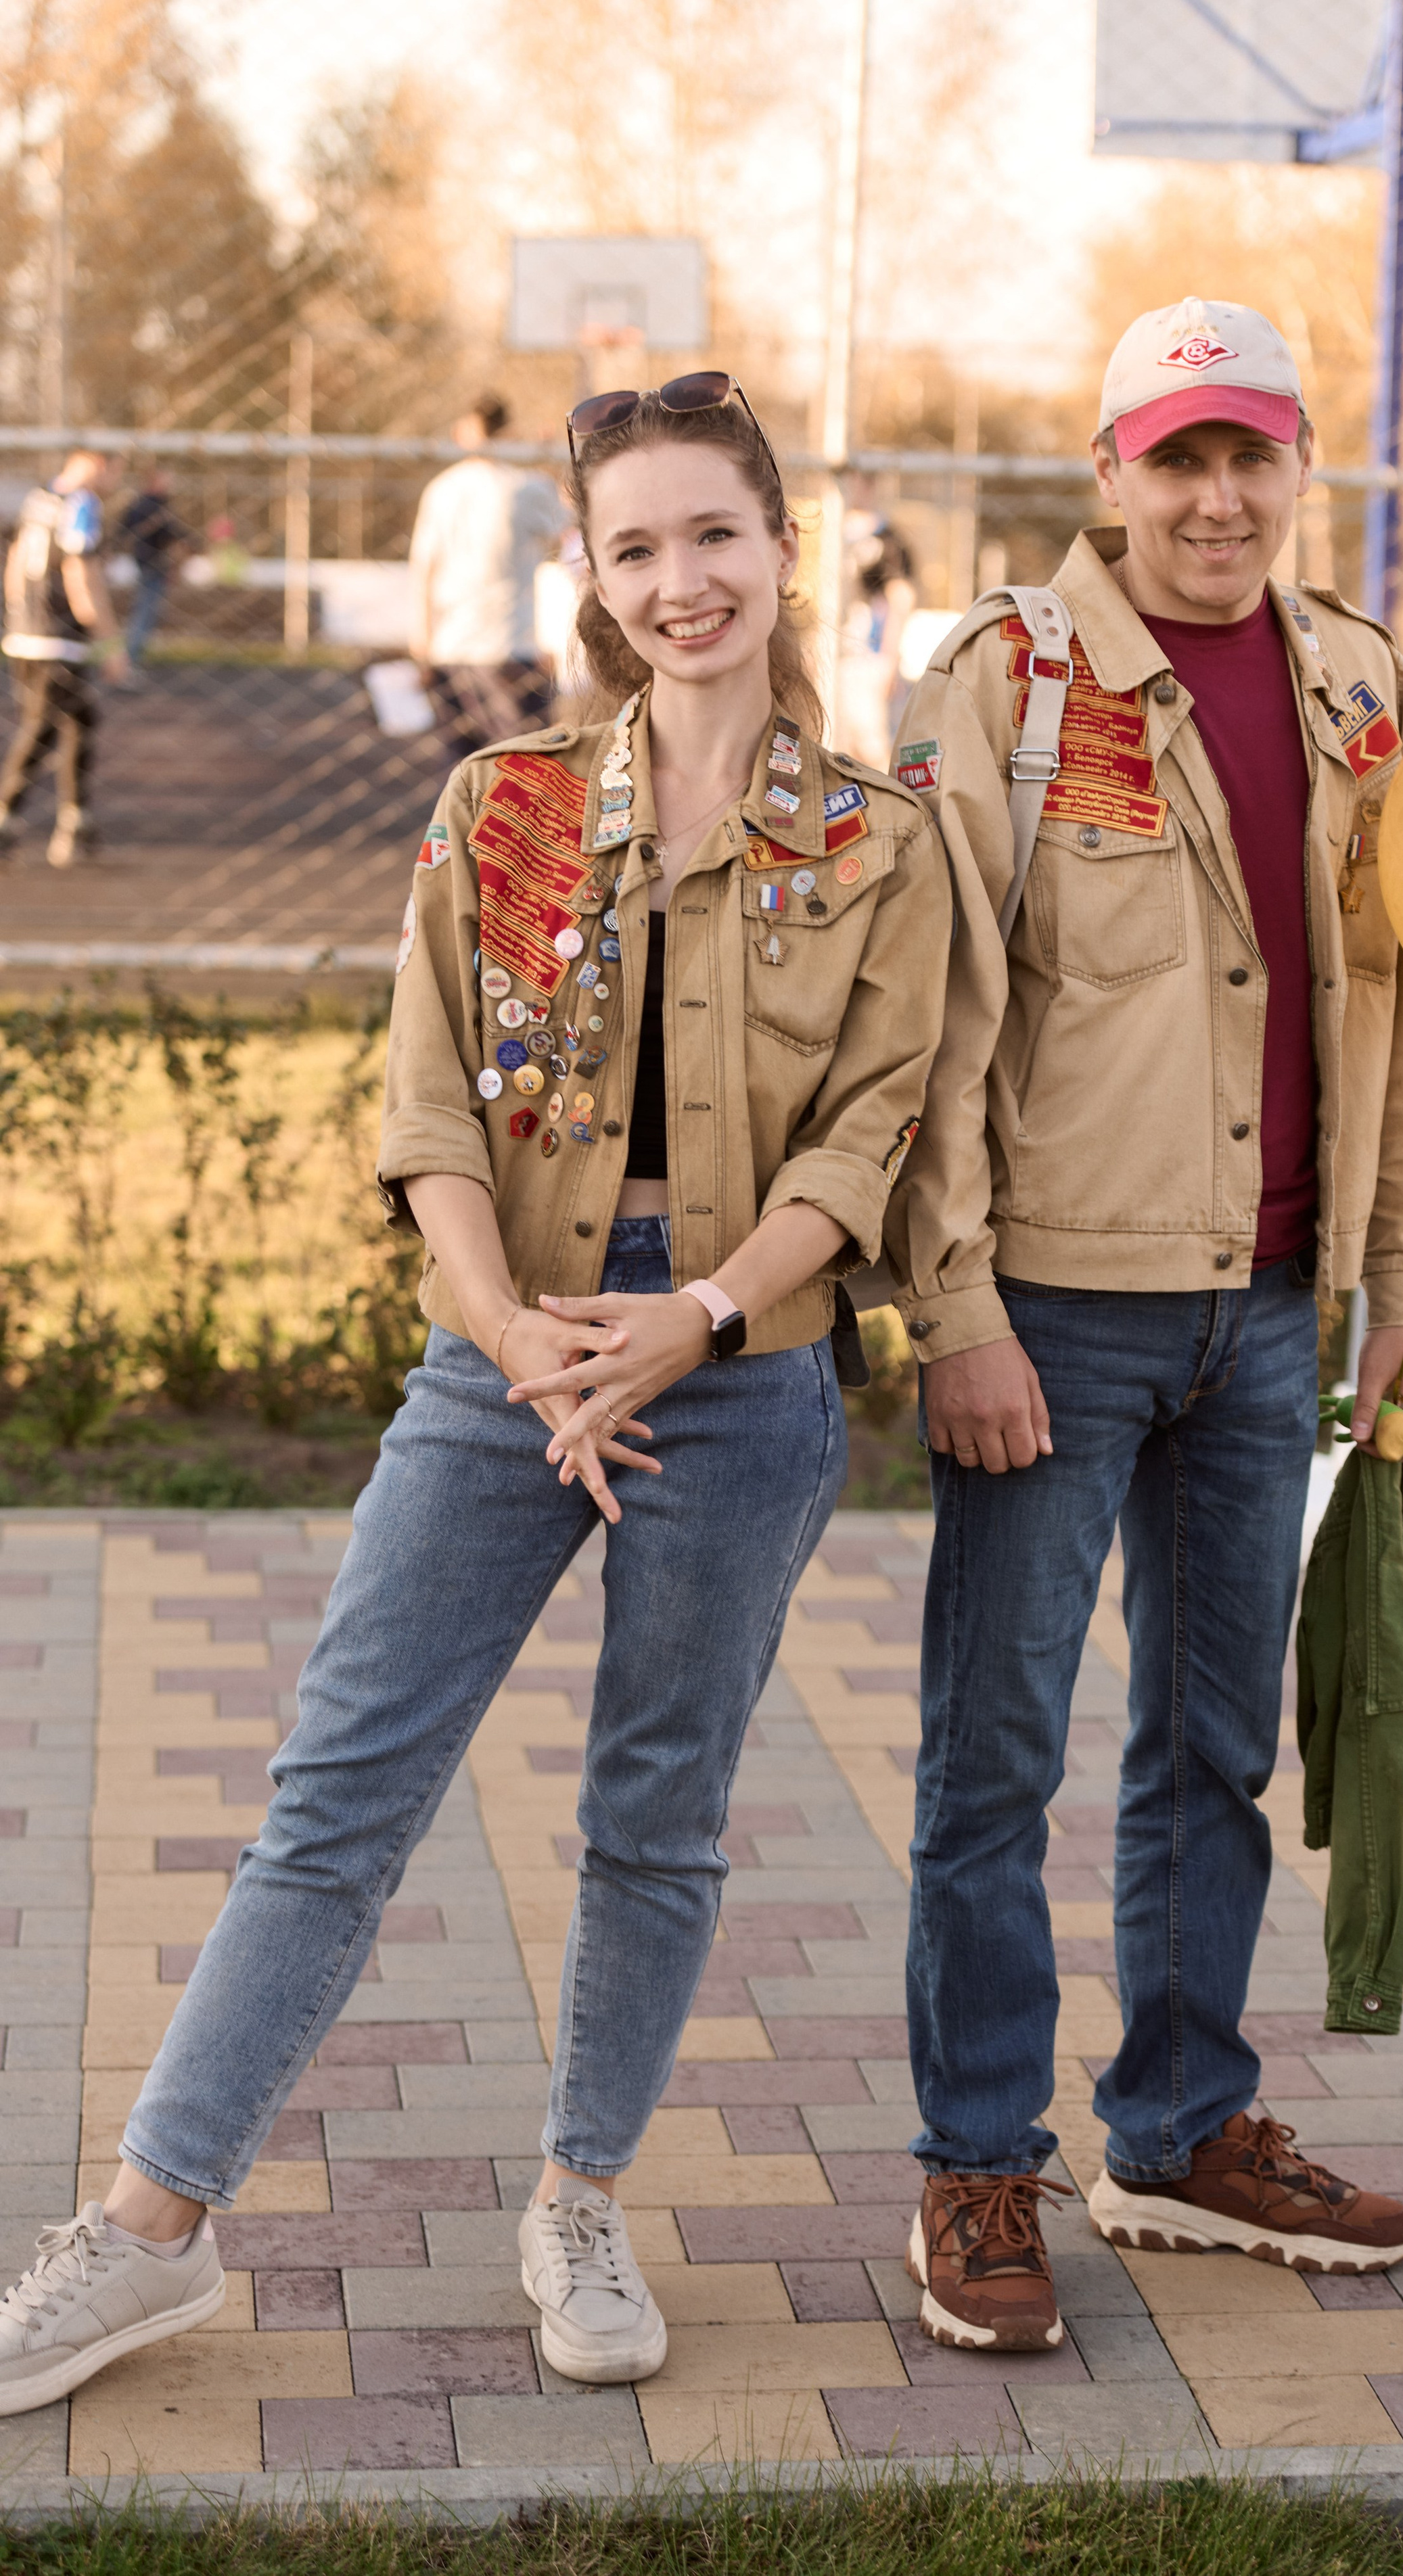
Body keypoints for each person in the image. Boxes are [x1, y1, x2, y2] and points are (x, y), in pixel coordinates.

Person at [0, 373, 950, 2415]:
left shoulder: (877, 841)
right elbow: (429, 1105)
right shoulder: (500, 806)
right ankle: (145, 2232)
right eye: (634, 548)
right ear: (591, 582)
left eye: (713, 533)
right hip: (498, 1352)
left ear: (780, 543)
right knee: (338, 1789)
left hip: (740, 1368)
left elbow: (865, 1144)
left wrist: (690, 1313)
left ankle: (580, 2198)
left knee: (654, 1810)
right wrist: (518, 1335)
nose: (679, 580)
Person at [883, 298, 1403, 2352]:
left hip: (1272, 1317)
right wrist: (948, 1304)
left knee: (1209, 1747)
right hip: (1050, 1307)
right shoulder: (1008, 687)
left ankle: (1180, 2121)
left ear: (1295, 468)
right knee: (994, 1757)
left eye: (1254, 455)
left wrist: (1398, 1291)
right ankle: (975, 2156)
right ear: (1107, 472)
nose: (1217, 497)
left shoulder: (1354, 684)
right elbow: (926, 1019)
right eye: (1177, 456)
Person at [410, 392, 568, 764]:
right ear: (509, 432)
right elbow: (569, 539)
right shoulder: (526, 486)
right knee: (523, 774)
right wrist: (547, 460)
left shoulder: (441, 488)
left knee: (463, 777)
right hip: (510, 648)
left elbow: (424, 570)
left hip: (452, 650)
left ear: (461, 432)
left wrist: (422, 645)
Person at [0, 449, 127, 865]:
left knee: (78, 721)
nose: (115, 482)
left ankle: (75, 819)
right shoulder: (82, 504)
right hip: (60, 639)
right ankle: (7, 814)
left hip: (27, 635)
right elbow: (81, 575)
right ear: (96, 465)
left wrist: (19, 615)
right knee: (43, 728)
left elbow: (16, 563)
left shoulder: (40, 499)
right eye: (115, 472)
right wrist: (110, 642)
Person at [116, 467, 192, 673]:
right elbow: (177, 535)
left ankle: (134, 655)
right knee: (145, 611)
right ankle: (131, 657)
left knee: (146, 610)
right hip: (152, 562)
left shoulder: (143, 504)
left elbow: (123, 530)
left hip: (148, 562)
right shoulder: (153, 506)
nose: (170, 486)